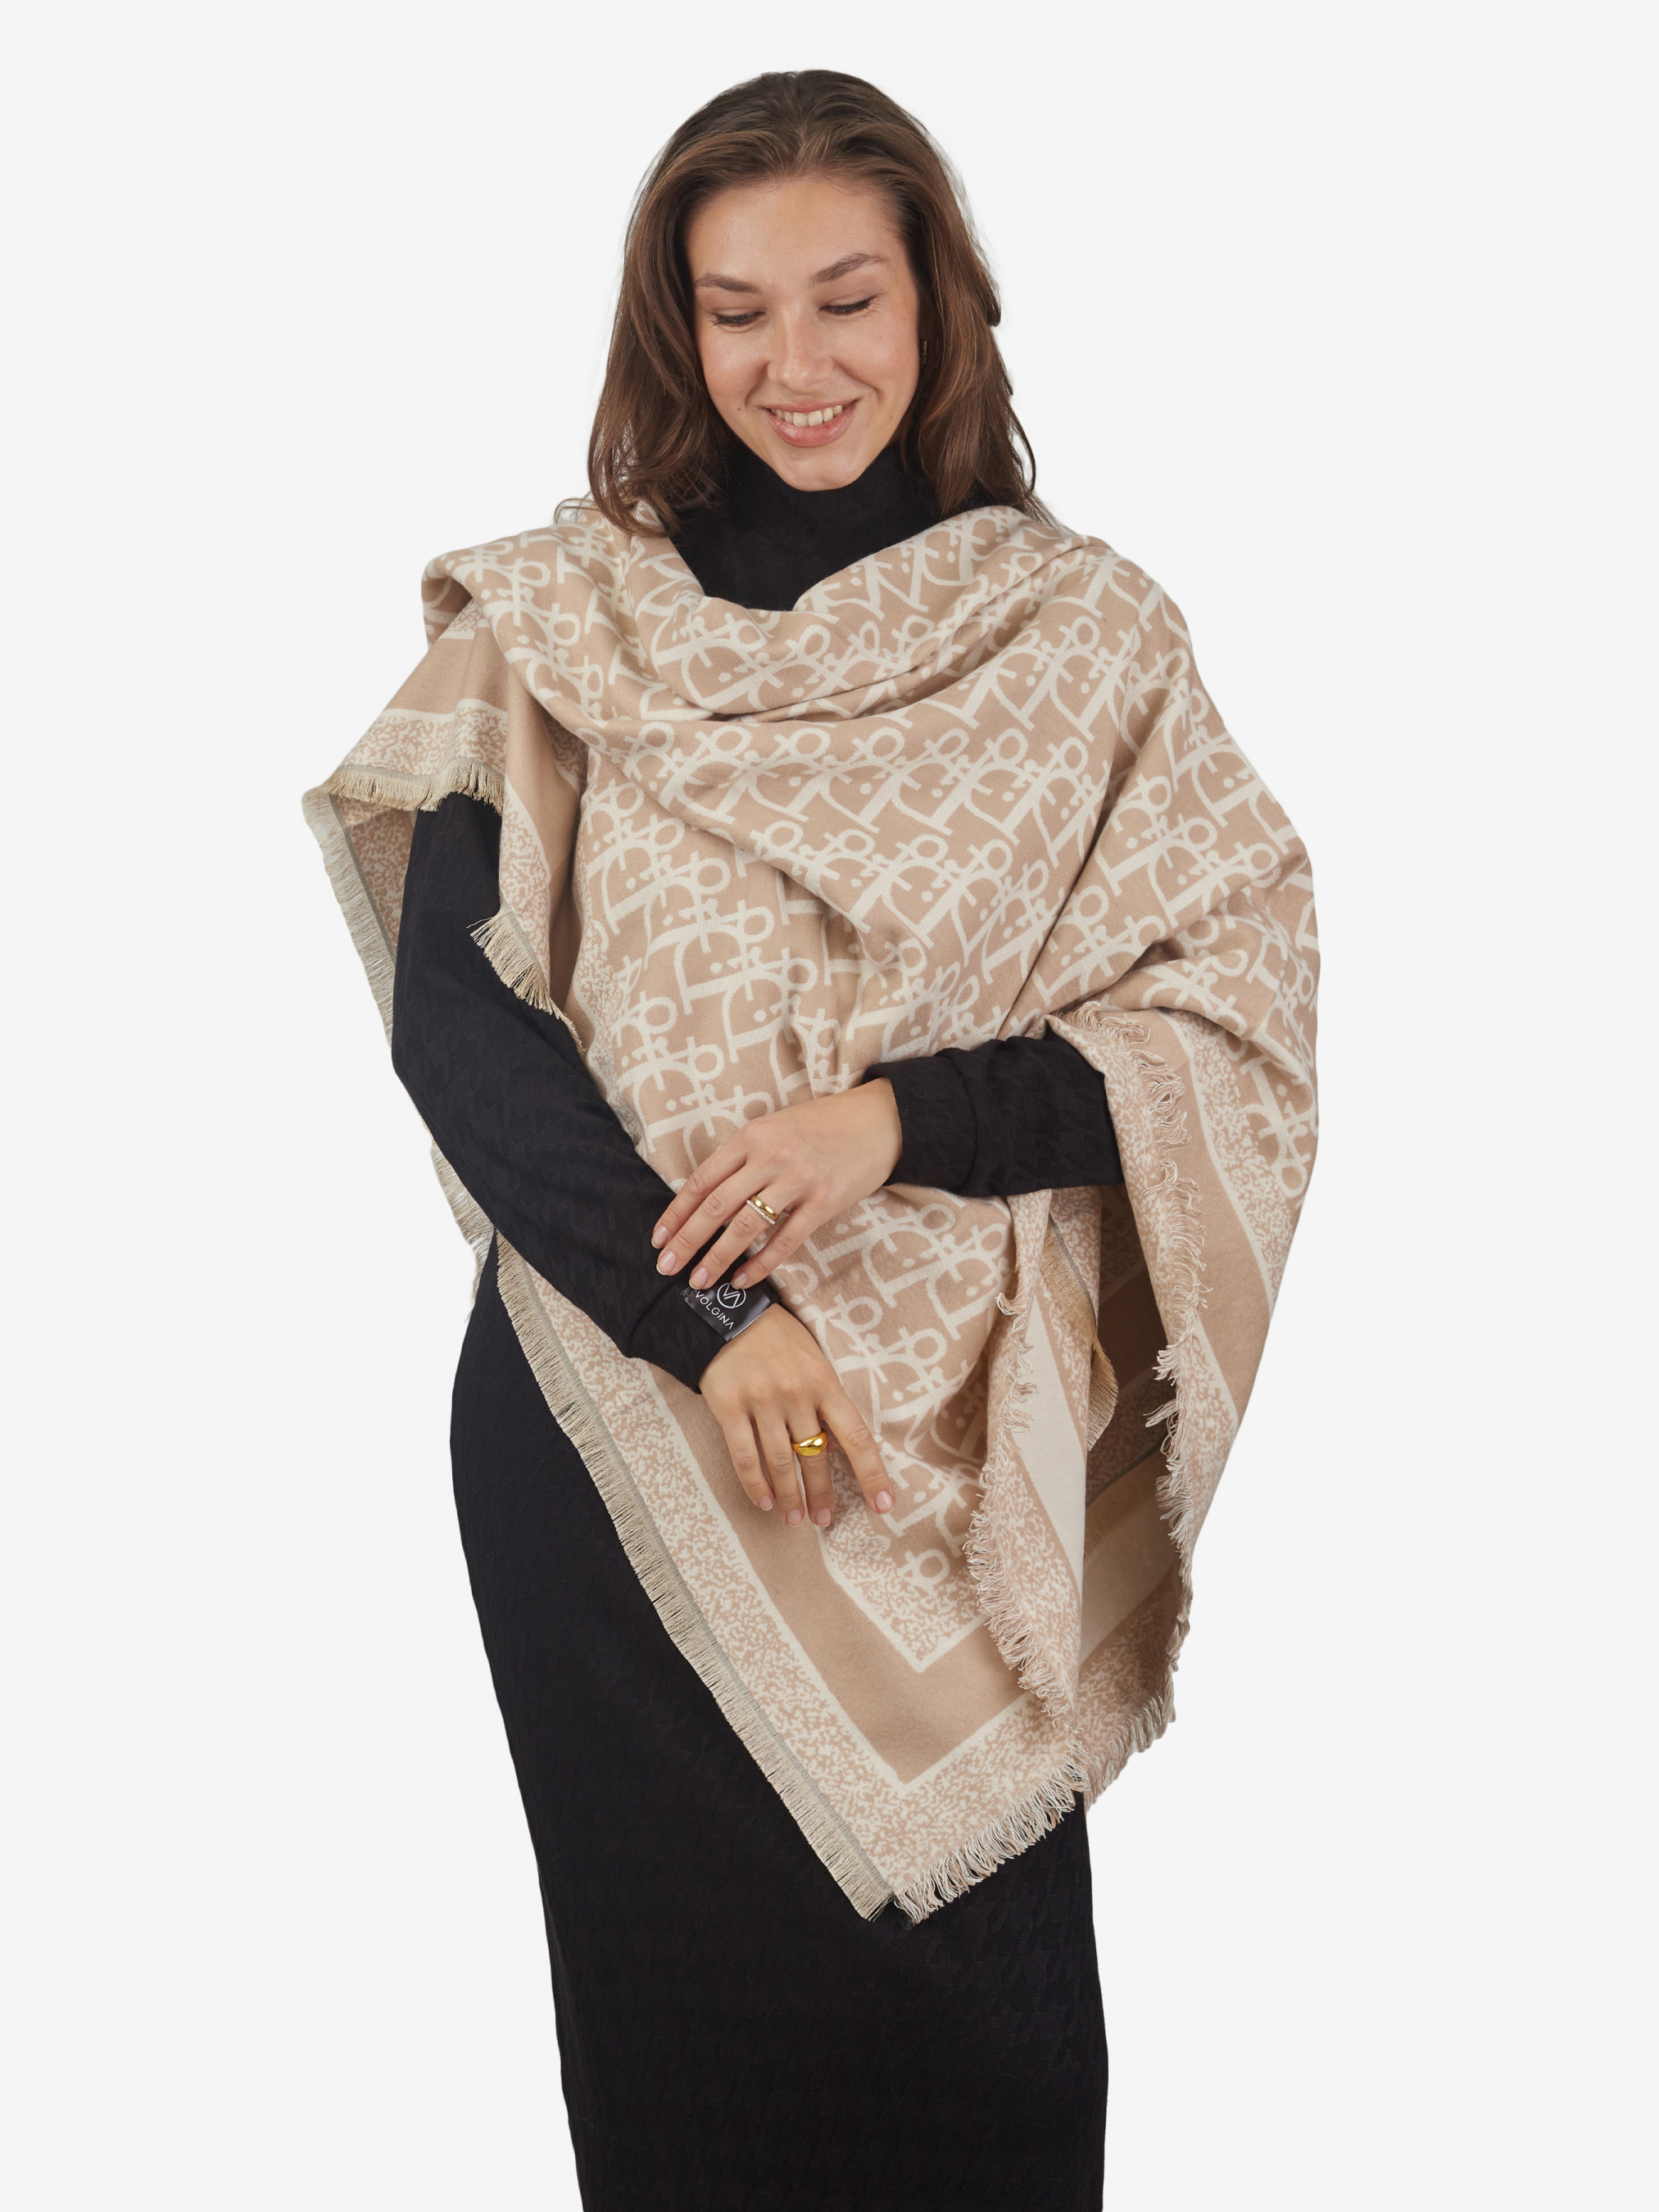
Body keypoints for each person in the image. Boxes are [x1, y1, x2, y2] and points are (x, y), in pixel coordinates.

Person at [305, 68, 1319, 2212]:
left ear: (936, 300)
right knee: (685, 2077)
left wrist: (893, 1119)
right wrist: (710, 1317)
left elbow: (1226, 1020)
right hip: (622, 1430)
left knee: (992, 2063)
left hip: (946, 1446)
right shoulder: (561, 625)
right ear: (672, 328)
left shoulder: (1084, 640)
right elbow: (457, 1026)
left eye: (847, 298)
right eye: (737, 310)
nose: (798, 364)